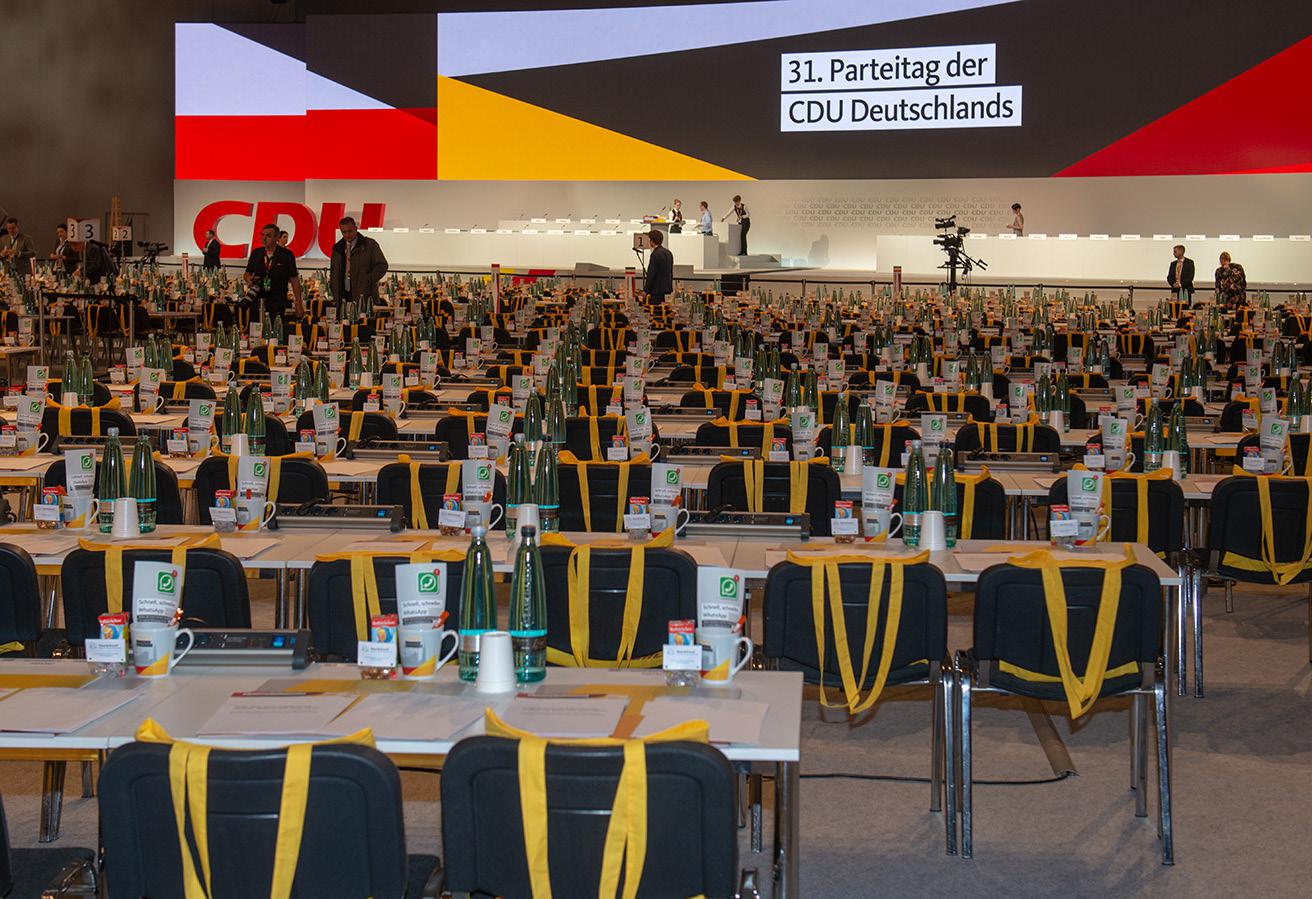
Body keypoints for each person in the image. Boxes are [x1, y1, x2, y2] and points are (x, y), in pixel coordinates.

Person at [243, 222, 303, 319]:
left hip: (277, 299)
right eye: (262, 235)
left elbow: (294, 280)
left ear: (276, 238)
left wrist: (298, 303)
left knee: (274, 326)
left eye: (268, 236)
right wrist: (249, 279)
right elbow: (247, 273)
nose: (264, 238)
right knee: (255, 325)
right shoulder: (256, 253)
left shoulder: (286, 255)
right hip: (258, 297)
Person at [329, 216, 389, 306]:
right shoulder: (337, 249)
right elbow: (333, 273)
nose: (347, 235)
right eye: (344, 232)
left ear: (356, 229)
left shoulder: (370, 245)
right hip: (342, 298)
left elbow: (382, 265)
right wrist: (334, 291)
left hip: (365, 297)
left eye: (350, 231)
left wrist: (367, 280)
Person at [644, 229, 673, 302]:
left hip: (656, 292)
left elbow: (651, 274)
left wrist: (646, 290)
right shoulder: (668, 253)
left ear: (652, 241)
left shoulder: (655, 254)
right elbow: (670, 272)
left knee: (656, 309)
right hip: (668, 290)